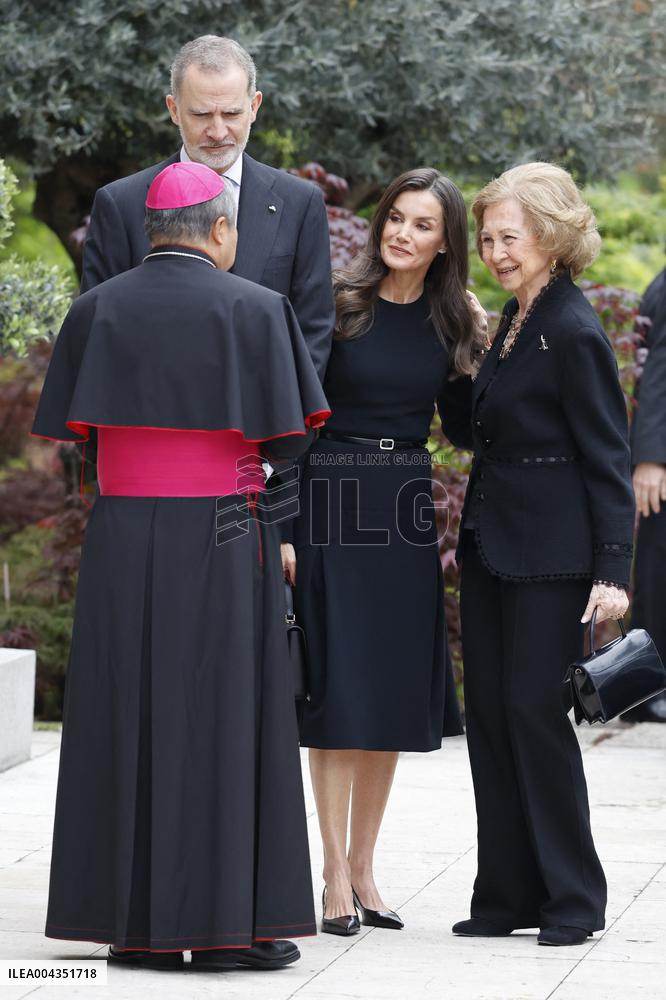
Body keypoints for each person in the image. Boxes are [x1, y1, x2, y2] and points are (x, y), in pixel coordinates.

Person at [32, 162, 330, 971]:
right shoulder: (260, 309)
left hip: (124, 535)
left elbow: (84, 438)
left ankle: (135, 925)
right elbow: (288, 442)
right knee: (230, 716)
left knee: (127, 712)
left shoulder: (96, 310)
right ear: (223, 231)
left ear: (148, 231)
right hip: (230, 534)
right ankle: (230, 925)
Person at [282, 168, 486, 935]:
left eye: (422, 224)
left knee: (388, 697)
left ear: (444, 242)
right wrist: (287, 529)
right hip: (331, 498)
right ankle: (331, 869)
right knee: (339, 694)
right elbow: (295, 420)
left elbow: (464, 431)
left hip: (402, 505)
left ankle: (366, 868)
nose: (402, 233)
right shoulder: (339, 306)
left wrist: (481, 349)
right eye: (395, 218)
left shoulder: (451, 322)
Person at [452, 162, 634, 948]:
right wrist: (462, 349)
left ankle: (572, 900)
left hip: (553, 557)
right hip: (495, 547)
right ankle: (504, 896)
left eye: (509, 237)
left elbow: (607, 455)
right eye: (486, 237)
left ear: (552, 237)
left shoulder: (573, 327)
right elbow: (475, 432)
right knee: (491, 717)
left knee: (534, 713)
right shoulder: (514, 318)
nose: (494, 251)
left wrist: (613, 572)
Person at [81, 34, 333, 379]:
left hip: (262, 422)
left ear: (255, 106)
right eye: (201, 114)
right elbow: (98, 331)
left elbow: (313, 329)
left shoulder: (301, 202)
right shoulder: (120, 203)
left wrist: (286, 424)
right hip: (150, 419)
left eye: (231, 113)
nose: (218, 131)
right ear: (173, 110)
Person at [622, 267, 666, 722]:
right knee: (658, 572)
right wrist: (651, 457)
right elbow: (657, 368)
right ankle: (646, 690)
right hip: (663, 464)